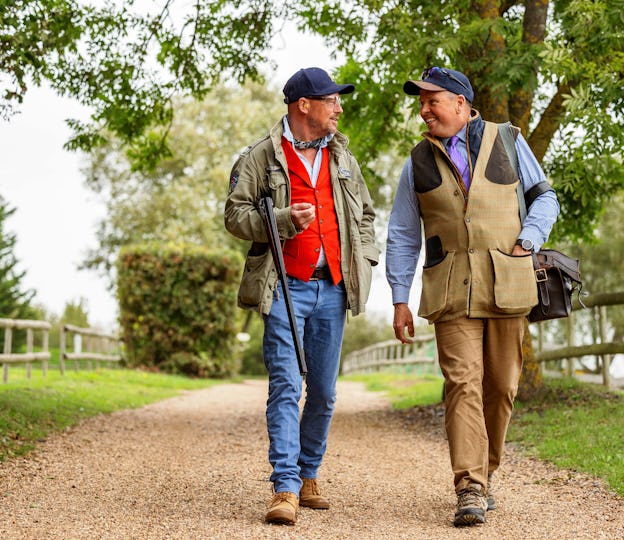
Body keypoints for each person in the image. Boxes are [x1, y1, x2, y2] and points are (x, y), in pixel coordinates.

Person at [386, 67, 559, 527]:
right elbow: (403, 234)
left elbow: (545, 197)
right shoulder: (417, 160)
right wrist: (399, 297)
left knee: (501, 387)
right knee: (462, 382)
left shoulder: (508, 140)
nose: (424, 111)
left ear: (461, 104)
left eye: (432, 101)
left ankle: (487, 472)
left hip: (507, 280)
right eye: (421, 103)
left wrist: (529, 239)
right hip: (449, 290)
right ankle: (470, 486)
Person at [225, 67, 379, 525]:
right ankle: (286, 487)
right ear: (303, 106)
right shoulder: (259, 157)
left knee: (326, 393)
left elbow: (366, 215)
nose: (339, 107)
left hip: (332, 286)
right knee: (287, 387)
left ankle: (310, 474)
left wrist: (364, 259)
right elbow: (234, 216)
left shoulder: (344, 159)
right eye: (332, 100)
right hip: (284, 285)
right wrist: (281, 219)